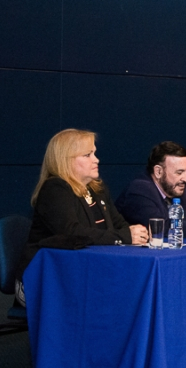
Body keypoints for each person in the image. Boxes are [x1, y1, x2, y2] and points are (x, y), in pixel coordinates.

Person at [16, 129, 149, 306]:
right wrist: (124, 236)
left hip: (84, 271)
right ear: (65, 160)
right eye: (87, 155)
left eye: (94, 153)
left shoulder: (97, 189)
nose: (96, 160)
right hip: (45, 278)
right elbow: (72, 233)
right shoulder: (55, 189)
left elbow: (119, 224)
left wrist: (136, 234)